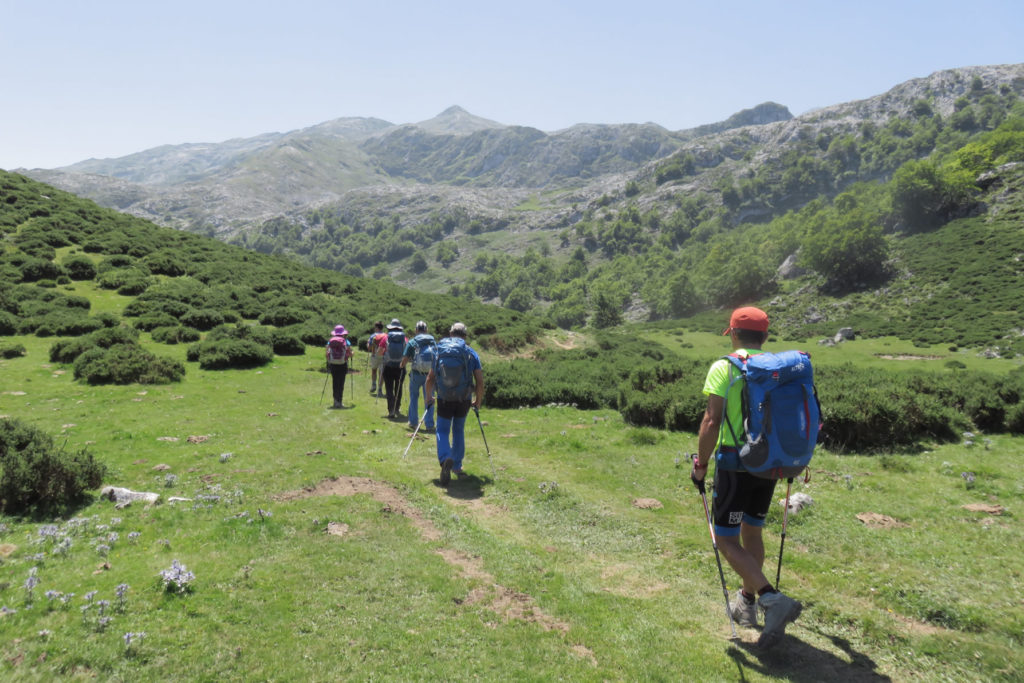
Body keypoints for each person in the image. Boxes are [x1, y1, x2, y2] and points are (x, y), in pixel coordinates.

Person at [691, 306, 802, 649]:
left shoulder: (725, 367)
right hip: (769, 464)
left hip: (734, 465)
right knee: (752, 531)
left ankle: (770, 598)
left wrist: (701, 464)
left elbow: (712, 421)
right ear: (765, 336)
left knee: (726, 539)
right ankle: (747, 603)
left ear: (734, 334)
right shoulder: (775, 370)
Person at [424, 322, 484, 486]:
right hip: (463, 399)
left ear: (451, 334)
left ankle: (445, 459)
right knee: (458, 429)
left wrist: (428, 398)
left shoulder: (439, 350)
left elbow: (430, 378)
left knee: (442, 430)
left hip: (444, 398)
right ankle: (456, 466)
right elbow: (479, 381)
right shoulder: (470, 352)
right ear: (465, 336)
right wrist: (477, 401)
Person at [400, 320, 436, 432]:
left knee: (414, 397)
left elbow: (405, 359)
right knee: (429, 398)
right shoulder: (432, 341)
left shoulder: (412, 342)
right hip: (430, 375)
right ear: (426, 330)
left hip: (416, 374)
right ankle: (429, 424)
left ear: (416, 330)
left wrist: (401, 366)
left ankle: (413, 422)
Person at [377, 318, 408, 419]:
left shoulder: (386, 338)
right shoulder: (405, 339)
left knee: (389, 389)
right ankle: (397, 408)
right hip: (401, 367)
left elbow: (379, 352)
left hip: (388, 366)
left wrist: (383, 357)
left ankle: (391, 410)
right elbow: (407, 353)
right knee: (398, 388)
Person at [325, 324, 353, 409]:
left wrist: (329, 361)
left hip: (333, 364)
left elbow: (327, 352)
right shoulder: (345, 341)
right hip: (342, 364)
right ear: (343, 333)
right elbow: (349, 353)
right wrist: (352, 354)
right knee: (341, 383)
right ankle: (339, 402)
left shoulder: (330, 341)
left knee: (335, 382)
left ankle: (335, 401)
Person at [366, 321, 387, 396]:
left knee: (374, 370)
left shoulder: (373, 336)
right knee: (381, 373)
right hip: (383, 355)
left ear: (376, 328)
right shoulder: (385, 335)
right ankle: (380, 389)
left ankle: (373, 385)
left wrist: (368, 343)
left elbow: (369, 347)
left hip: (374, 355)